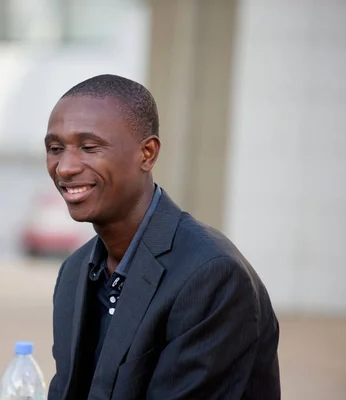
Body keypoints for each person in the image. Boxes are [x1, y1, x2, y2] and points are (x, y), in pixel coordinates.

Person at [45, 74, 280, 399]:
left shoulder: (210, 276)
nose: (65, 167)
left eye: (89, 147)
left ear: (148, 154)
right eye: (55, 148)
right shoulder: (74, 272)